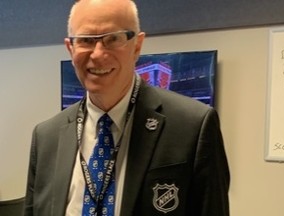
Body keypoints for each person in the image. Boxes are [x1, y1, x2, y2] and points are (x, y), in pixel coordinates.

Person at [24, 0, 230, 215]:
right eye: (85, 40)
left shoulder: (193, 127)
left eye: (113, 39)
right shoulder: (46, 137)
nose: (98, 54)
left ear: (137, 45)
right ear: (70, 48)